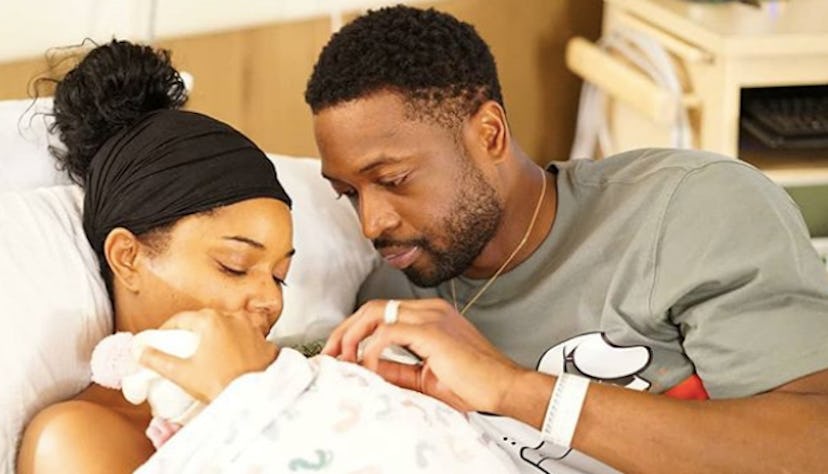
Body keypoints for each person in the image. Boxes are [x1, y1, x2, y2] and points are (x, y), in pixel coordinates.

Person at [140, 5, 828, 474]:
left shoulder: (683, 213)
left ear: (489, 133)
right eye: (350, 194)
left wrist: (512, 389)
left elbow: (814, 441)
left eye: (394, 178)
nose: (373, 222)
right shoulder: (388, 304)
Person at [17, 39, 520, 474]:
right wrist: (248, 406)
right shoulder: (80, 437)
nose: (268, 301)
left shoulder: (313, 376)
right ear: (128, 256)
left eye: (279, 277)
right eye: (234, 265)